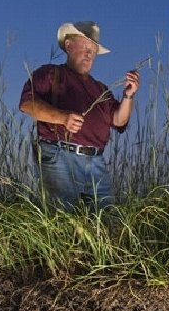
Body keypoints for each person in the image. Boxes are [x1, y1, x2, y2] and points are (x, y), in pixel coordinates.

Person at [19, 21, 140, 210]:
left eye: (93, 50)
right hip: (60, 156)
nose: (89, 53)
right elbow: (27, 104)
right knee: (63, 219)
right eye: (84, 46)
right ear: (68, 45)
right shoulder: (51, 73)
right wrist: (62, 118)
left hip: (96, 162)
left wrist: (128, 95)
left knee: (108, 219)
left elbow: (119, 120)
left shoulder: (101, 89)